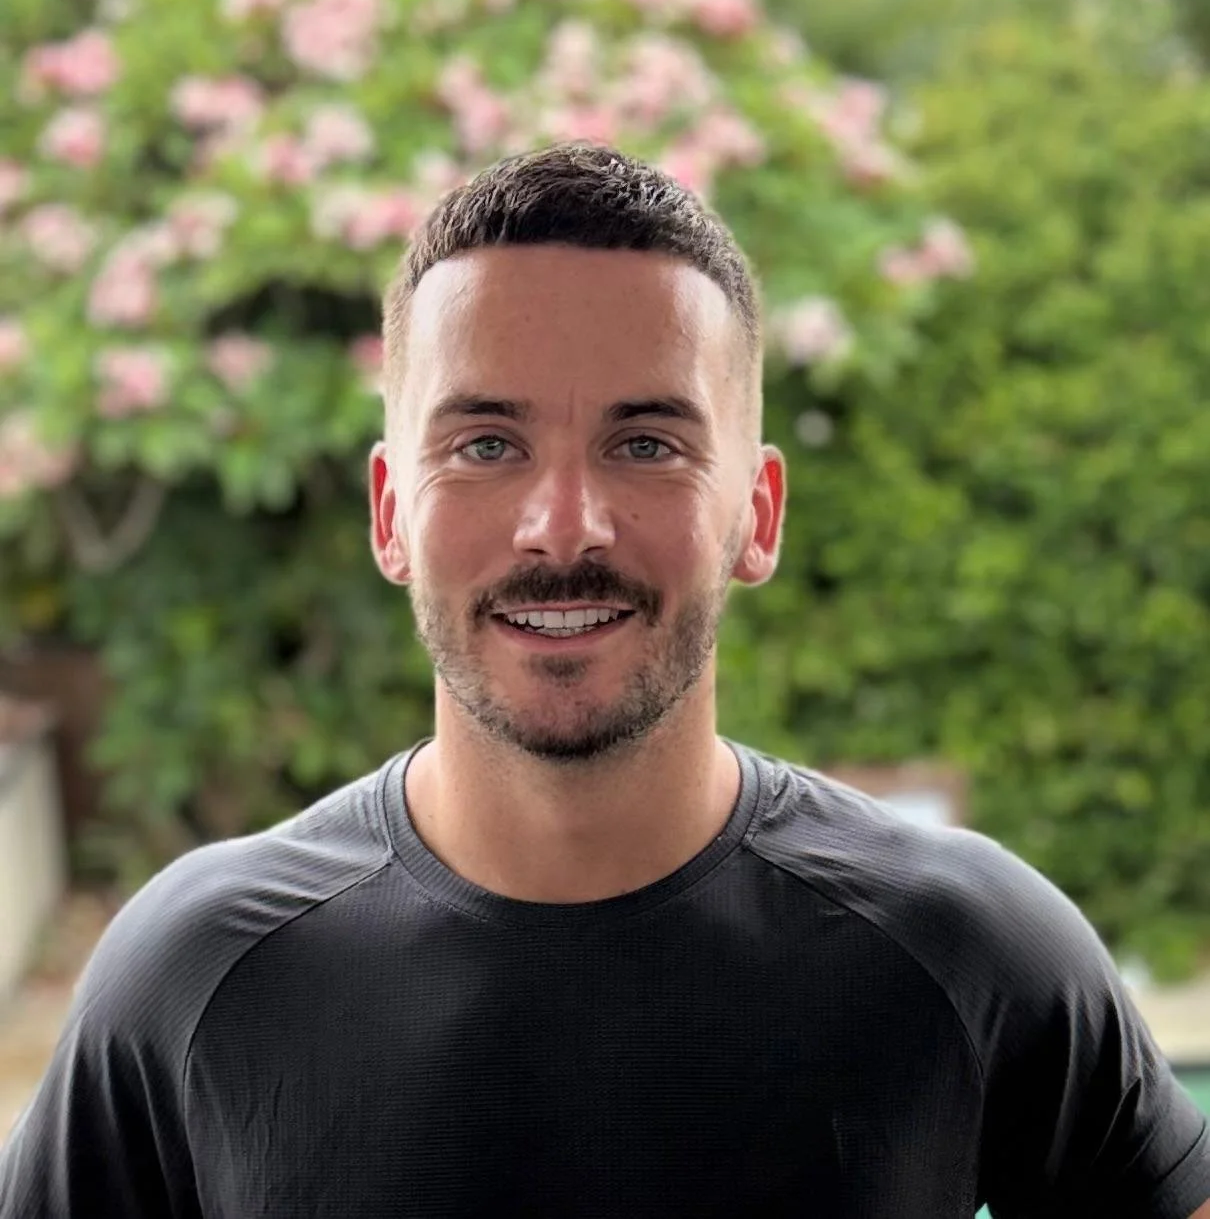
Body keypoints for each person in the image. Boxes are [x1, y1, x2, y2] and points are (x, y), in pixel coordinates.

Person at [2, 143, 1208, 1219]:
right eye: (485, 444)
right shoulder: (191, 979)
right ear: (389, 514)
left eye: (646, 443)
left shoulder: (975, 955)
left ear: (758, 511)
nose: (561, 526)